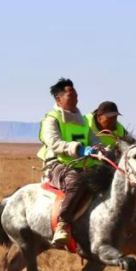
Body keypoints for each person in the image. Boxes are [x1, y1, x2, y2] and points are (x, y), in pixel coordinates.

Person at [37, 78, 103, 247]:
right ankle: (62, 224)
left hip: (84, 163)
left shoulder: (82, 120)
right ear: (59, 99)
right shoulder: (51, 119)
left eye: (77, 96)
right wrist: (78, 148)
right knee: (77, 182)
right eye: (71, 96)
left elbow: (94, 140)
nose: (76, 99)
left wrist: (100, 150)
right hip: (57, 164)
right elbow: (54, 143)